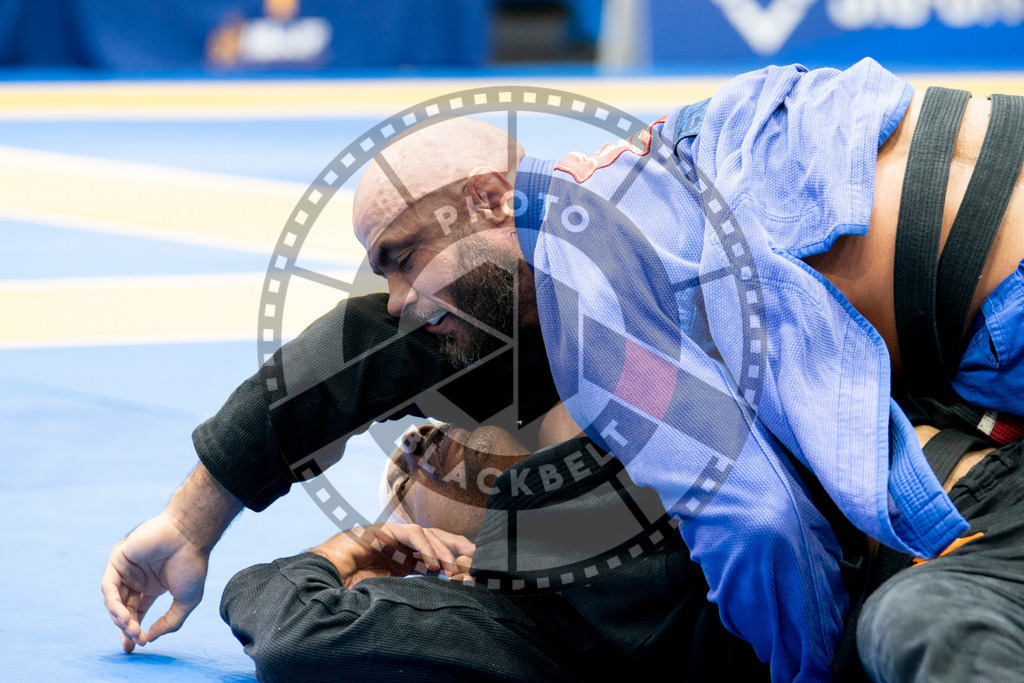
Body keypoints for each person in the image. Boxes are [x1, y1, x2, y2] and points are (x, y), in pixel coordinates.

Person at [103, 59, 1024, 679]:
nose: (421, 451)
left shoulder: (604, 318)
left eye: (397, 255)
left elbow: (762, 526)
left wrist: (802, 671)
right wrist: (195, 517)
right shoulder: (615, 183)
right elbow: (371, 343)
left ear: (487, 199)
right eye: (421, 456)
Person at [219, 422, 769, 681]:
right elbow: (295, 634)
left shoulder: (662, 485)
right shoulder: (512, 621)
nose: (422, 445)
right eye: (427, 462)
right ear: (444, 558)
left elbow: (278, 613)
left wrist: (337, 553)